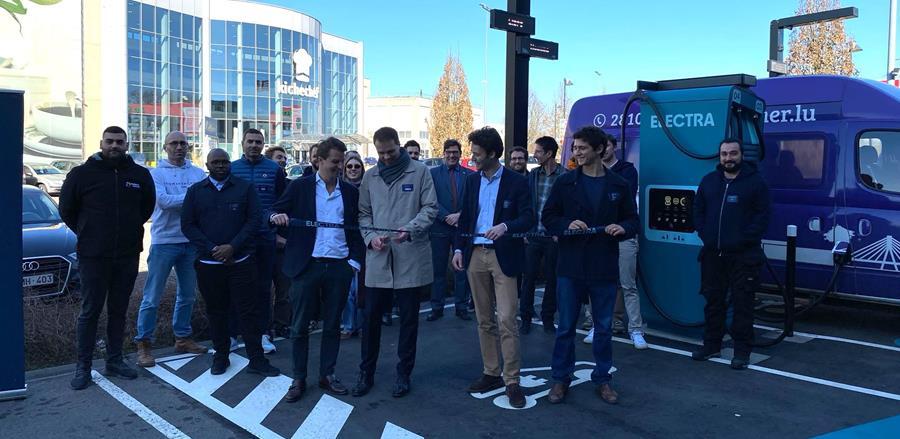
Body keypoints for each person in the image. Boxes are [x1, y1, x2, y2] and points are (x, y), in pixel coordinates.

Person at [541, 126, 638, 405]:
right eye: (575, 148)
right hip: (570, 266)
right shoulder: (566, 182)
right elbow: (549, 216)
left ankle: (603, 379)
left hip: (604, 266)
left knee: (604, 328)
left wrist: (622, 227)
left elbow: (633, 220)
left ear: (599, 149)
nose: (576, 153)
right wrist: (565, 224)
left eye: (582, 148)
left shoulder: (619, 185)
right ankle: (560, 379)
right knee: (566, 327)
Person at [60, 126, 156, 390]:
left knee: (118, 311)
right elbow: (67, 210)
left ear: (127, 145)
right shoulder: (81, 174)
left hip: (126, 254)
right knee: (90, 311)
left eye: (119, 142)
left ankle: (114, 361)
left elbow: (146, 206)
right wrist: (88, 232)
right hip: (93, 255)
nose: (114, 145)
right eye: (110, 141)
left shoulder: (139, 174)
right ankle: (84, 368)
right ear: (101, 142)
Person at [270, 137, 365, 401]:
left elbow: (356, 229)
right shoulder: (299, 187)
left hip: (339, 266)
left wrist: (354, 262)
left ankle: (327, 374)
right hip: (306, 266)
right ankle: (298, 378)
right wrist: (276, 217)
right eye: (335, 161)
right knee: (300, 326)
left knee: (333, 325)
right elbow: (274, 211)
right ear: (319, 160)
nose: (340, 166)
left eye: (342, 161)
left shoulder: (350, 192)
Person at [451, 126, 534, 409]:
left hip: (504, 256)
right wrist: (459, 249)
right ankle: (491, 372)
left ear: (492, 154)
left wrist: (505, 226)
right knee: (484, 319)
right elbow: (465, 219)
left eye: (476, 154)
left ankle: (512, 380)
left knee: (507, 319)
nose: (472, 158)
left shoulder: (516, 182)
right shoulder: (472, 182)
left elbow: (528, 218)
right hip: (475, 254)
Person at [353, 127, 438, 398]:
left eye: (391, 151)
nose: (386, 157)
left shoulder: (420, 171)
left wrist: (411, 228)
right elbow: (363, 214)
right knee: (371, 320)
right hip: (378, 257)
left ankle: (404, 374)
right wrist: (371, 237)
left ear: (399, 146)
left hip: (409, 255)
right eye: (381, 153)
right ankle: (366, 373)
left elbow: (431, 208)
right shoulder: (370, 177)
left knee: (409, 321)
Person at [181, 148, 280, 377]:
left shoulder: (245, 189)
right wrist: (212, 248)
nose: (221, 165)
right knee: (217, 312)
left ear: (230, 164)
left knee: (248, 312)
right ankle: (221, 357)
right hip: (209, 263)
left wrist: (232, 247)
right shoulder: (195, 191)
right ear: (207, 165)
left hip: (241, 262)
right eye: (215, 162)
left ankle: (257, 360)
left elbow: (254, 220)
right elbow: (188, 225)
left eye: (224, 162)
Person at [691, 138, 771, 370]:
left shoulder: (756, 183)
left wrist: (742, 240)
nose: (728, 158)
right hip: (713, 255)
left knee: (742, 304)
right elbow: (698, 210)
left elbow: (762, 217)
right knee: (713, 303)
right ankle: (711, 345)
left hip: (744, 257)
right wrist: (704, 233)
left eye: (733, 153)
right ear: (720, 157)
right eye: (724, 154)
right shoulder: (709, 181)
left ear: (741, 155)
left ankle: (742, 351)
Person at [134, 131, 209, 368]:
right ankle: (144, 344)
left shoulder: (197, 172)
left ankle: (183, 338)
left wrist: (186, 200)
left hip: (190, 243)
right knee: (151, 297)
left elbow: (202, 204)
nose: (179, 147)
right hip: (164, 242)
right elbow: (164, 202)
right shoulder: (154, 174)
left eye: (183, 143)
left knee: (187, 295)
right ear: (165, 147)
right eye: (174, 143)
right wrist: (192, 197)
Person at [587, 134, 647, 349]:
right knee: (596, 282)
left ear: (614, 147)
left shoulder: (627, 170)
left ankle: (636, 330)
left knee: (628, 284)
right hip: (597, 236)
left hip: (623, 234)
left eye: (608, 146)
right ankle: (597, 325)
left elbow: (622, 199)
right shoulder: (588, 172)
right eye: (600, 146)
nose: (603, 150)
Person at [230, 129, 287, 354]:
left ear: (264, 145)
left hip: (265, 238)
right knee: (236, 287)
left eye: (258, 142)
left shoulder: (274, 169)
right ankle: (232, 334)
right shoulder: (232, 168)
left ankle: (263, 334)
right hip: (238, 240)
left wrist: (278, 231)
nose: (254, 145)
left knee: (264, 288)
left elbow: (283, 201)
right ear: (243, 143)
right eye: (250, 141)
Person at [519, 136, 565, 335]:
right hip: (532, 235)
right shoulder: (533, 175)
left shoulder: (565, 175)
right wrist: (525, 232)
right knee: (528, 278)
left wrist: (560, 232)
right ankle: (526, 318)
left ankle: (547, 318)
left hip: (553, 238)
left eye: (538, 151)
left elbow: (568, 206)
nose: (534, 155)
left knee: (552, 279)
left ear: (548, 154)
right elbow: (526, 205)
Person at [427, 139, 474, 322]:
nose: (452, 155)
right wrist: (446, 216)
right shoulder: (433, 174)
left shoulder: (469, 175)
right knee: (438, 270)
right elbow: (430, 200)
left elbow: (472, 201)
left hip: (461, 228)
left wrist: (460, 216)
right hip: (439, 227)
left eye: (455, 152)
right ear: (443, 153)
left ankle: (461, 306)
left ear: (460, 154)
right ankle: (436, 307)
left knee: (461, 268)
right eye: (449, 152)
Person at [266, 145, 292, 338]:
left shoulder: (290, 184)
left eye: (284, 158)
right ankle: (265, 328)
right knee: (264, 291)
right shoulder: (263, 188)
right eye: (278, 158)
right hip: (264, 243)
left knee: (284, 290)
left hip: (284, 246)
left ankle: (282, 325)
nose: (282, 160)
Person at [341, 155, 367, 339]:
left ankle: (365, 324)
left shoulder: (368, 189)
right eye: (349, 165)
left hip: (367, 242)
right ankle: (348, 325)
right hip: (345, 243)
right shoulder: (339, 189)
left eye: (357, 166)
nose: (353, 168)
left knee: (363, 289)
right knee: (348, 289)